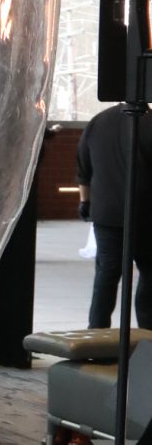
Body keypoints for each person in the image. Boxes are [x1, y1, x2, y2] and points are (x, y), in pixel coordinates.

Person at [77, 101, 152, 329]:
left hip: (106, 213)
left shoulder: (98, 121)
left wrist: (85, 202)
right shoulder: (149, 122)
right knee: (150, 273)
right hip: (145, 215)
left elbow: (83, 169)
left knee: (107, 275)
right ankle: (147, 332)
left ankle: (96, 332)